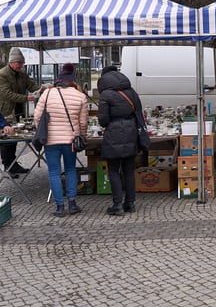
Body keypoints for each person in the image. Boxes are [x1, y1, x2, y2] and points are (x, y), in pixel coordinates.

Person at [34, 63, 89, 217]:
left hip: (51, 140)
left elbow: (37, 116)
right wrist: (81, 135)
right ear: (73, 80)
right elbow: (83, 122)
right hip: (70, 140)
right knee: (70, 170)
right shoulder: (80, 96)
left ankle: (59, 207)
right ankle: (72, 203)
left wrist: (42, 131)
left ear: (58, 79)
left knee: (54, 172)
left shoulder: (47, 94)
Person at [97, 66, 147, 215]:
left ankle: (117, 204)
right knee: (128, 170)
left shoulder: (105, 94)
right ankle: (130, 203)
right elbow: (139, 113)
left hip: (114, 134)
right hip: (131, 132)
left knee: (113, 170)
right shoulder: (131, 92)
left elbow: (103, 121)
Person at [0, 47, 40, 176]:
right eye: (19, 63)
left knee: (15, 138)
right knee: (6, 139)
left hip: (18, 111)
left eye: (22, 63)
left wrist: (41, 89)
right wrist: (26, 98)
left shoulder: (22, 73)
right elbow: (7, 94)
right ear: (11, 62)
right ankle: (7, 166)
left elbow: (31, 85)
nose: (21, 65)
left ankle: (13, 163)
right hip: (6, 111)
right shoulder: (1, 75)